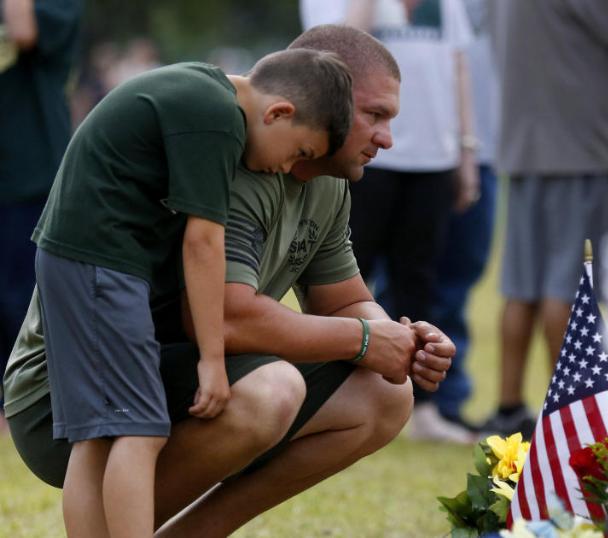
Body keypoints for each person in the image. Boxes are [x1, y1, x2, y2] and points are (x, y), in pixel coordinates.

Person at [5, 25, 456, 537]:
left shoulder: (325, 183)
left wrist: (400, 340)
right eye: (375, 115)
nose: (387, 138)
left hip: (168, 374)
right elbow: (224, 318)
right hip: (58, 398)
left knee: (385, 394)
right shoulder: (235, 155)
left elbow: (344, 303)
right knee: (268, 391)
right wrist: (366, 339)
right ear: (322, 94)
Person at [300, 0, 478, 443]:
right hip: (364, 158)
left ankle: (423, 405)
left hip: (434, 155)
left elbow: (458, 65)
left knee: (419, 280)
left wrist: (466, 148)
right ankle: (332, 391)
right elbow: (331, 56)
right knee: (345, 277)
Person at [482, 0, 608, 436]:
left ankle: (508, 406)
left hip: (522, 143)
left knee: (521, 286)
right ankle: (571, 412)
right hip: (579, 145)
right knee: (570, 287)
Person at [0, 0, 83, 435]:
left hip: (28, 174)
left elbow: (24, 31)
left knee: (21, 301)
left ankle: (25, 408)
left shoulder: (56, 6)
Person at [430, 0, 500, 432]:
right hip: (427, 151)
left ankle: (445, 397)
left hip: (485, 149)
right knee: (406, 276)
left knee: (462, 273)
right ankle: (407, 395)